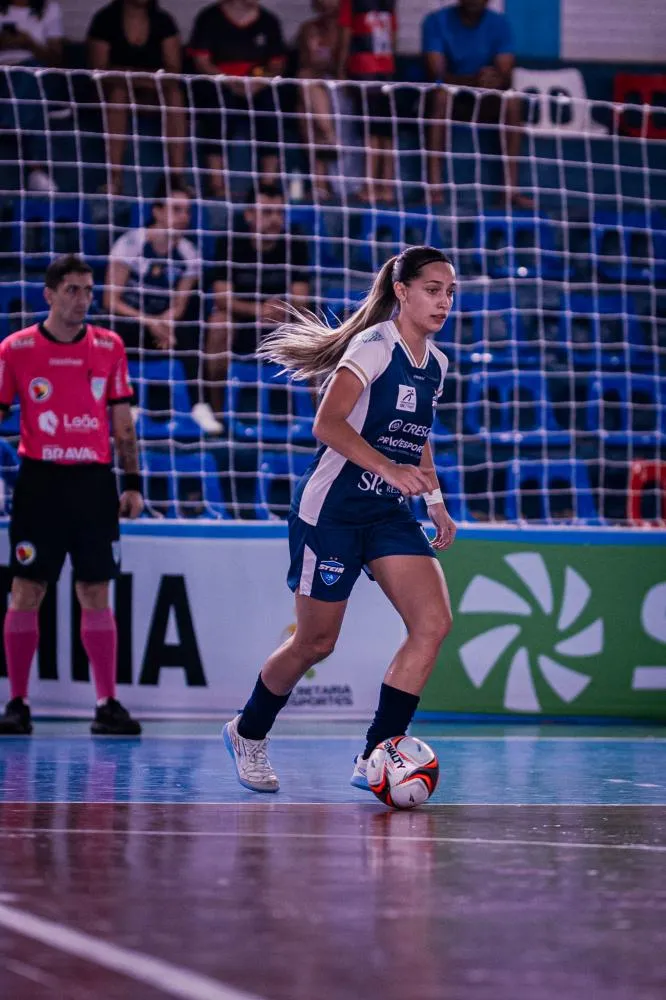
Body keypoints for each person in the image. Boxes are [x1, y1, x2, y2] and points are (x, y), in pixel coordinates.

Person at [223, 245, 457, 792]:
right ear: (402, 291)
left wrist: (435, 500)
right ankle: (247, 731)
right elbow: (327, 424)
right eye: (432, 290)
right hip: (331, 511)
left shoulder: (437, 364)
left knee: (433, 623)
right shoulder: (373, 346)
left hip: (387, 512)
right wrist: (389, 469)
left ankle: (377, 752)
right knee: (316, 642)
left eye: (450, 293)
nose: (443, 302)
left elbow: (417, 436)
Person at [0, 254, 144, 737]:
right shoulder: (16, 349)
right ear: (49, 294)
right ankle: (17, 703)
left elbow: (122, 424)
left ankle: (107, 704)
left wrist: (133, 483)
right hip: (40, 484)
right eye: (73, 290)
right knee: (27, 589)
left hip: (93, 484)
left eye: (88, 290)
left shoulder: (109, 346)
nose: (83, 300)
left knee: (95, 591)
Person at [104, 175, 222, 435]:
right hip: (134, 321)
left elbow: (180, 304)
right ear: (157, 211)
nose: (183, 217)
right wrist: (149, 322)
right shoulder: (129, 244)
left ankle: (199, 405)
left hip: (165, 328)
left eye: (187, 211)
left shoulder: (190, 254)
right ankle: (129, 405)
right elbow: (110, 301)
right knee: (113, 329)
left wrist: (165, 323)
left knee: (191, 326)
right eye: (176, 210)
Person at [207, 181, 309, 414]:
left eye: (279, 213)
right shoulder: (229, 243)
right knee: (218, 323)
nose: (274, 219)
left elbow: (301, 298)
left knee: (311, 324)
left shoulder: (295, 243)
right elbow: (222, 298)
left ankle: (315, 414)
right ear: (249, 215)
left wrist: (280, 310)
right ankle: (216, 413)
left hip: (282, 320)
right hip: (242, 320)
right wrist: (259, 310)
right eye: (267, 213)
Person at [422, 0, 532, 208]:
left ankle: (510, 191)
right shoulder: (436, 21)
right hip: (453, 98)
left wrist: (494, 78)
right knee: (440, 96)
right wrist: (473, 81)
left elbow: (505, 73)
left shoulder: (499, 24)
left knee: (512, 100)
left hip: (484, 99)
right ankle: (434, 189)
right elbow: (435, 74)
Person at [87, 0, 187, 196]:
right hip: (114, 90)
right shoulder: (105, 20)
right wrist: (139, 77)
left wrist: (134, 76)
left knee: (175, 95)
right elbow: (99, 70)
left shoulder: (163, 21)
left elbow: (173, 71)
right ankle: (115, 179)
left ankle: (177, 179)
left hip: (152, 91)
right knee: (118, 94)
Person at [188, 0, 286, 198]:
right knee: (217, 109)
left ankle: (267, 187)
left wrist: (257, 82)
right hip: (219, 83)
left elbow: (277, 64)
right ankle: (217, 185)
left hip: (258, 85)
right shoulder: (209, 17)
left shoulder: (269, 21)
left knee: (271, 108)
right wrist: (229, 81)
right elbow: (201, 61)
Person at [338, 0, 397, 203]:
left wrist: (341, 68)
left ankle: (371, 186)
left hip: (364, 69)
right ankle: (386, 187)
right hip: (385, 70)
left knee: (372, 130)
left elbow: (346, 33)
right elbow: (392, 35)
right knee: (384, 130)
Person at [0, 0, 63, 192]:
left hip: (35, 75)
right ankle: (37, 170)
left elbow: (57, 60)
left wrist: (29, 43)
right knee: (29, 92)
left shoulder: (49, 8)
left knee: (30, 74)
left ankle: (9, 118)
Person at [296, 0, 342, 201]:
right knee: (304, 108)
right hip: (317, 87)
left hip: (345, 87)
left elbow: (340, 67)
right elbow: (308, 63)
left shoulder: (348, 29)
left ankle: (320, 183)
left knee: (306, 101)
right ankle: (328, 135)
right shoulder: (309, 29)